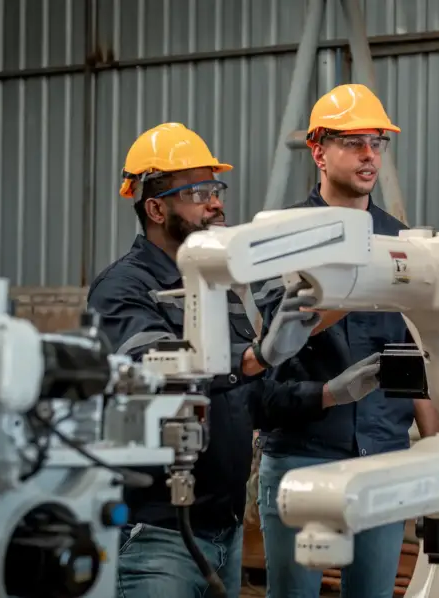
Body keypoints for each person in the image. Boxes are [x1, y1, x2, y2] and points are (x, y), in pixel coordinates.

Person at [88, 122, 379, 598]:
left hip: (221, 534)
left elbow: (251, 402)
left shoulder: (216, 285)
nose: (216, 203)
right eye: (198, 192)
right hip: (157, 536)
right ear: (157, 208)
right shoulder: (123, 289)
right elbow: (158, 370)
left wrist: (331, 393)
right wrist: (255, 356)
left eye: (216, 188)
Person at [256, 83, 439, 598]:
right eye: (353, 142)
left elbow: (409, 349)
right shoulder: (279, 235)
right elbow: (277, 337)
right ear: (318, 150)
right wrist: (359, 279)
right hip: (304, 454)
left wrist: (435, 450)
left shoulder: (398, 240)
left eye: (377, 142)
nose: (369, 155)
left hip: (382, 458)